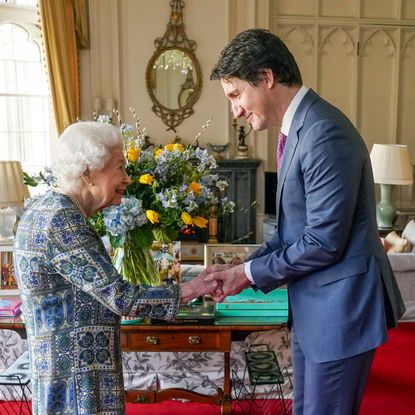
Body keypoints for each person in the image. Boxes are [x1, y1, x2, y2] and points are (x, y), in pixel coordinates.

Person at [201, 29, 405, 415]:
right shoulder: (298, 129)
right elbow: (289, 234)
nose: (236, 111)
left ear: (266, 77)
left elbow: (323, 243)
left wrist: (246, 274)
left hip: (340, 313)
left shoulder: (323, 132)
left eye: (236, 95)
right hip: (316, 310)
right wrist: (239, 268)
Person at [13, 121, 219, 415]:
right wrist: (191, 289)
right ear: (88, 173)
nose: (128, 178)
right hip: (77, 383)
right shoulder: (62, 220)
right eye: (120, 168)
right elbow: (121, 297)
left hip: (63, 373)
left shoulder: (45, 208)